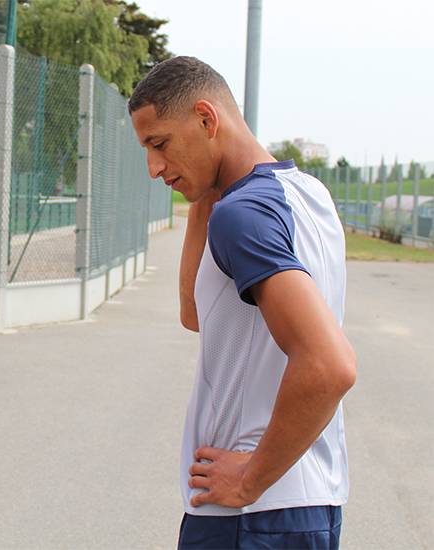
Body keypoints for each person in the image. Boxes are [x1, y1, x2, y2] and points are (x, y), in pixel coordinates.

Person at [128, 56, 356, 548]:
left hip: (252, 515)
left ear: (207, 120)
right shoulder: (305, 194)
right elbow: (197, 313)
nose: (153, 168)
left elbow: (329, 364)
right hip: (307, 500)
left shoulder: (243, 215)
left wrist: (249, 478)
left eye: (159, 144)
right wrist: (202, 191)